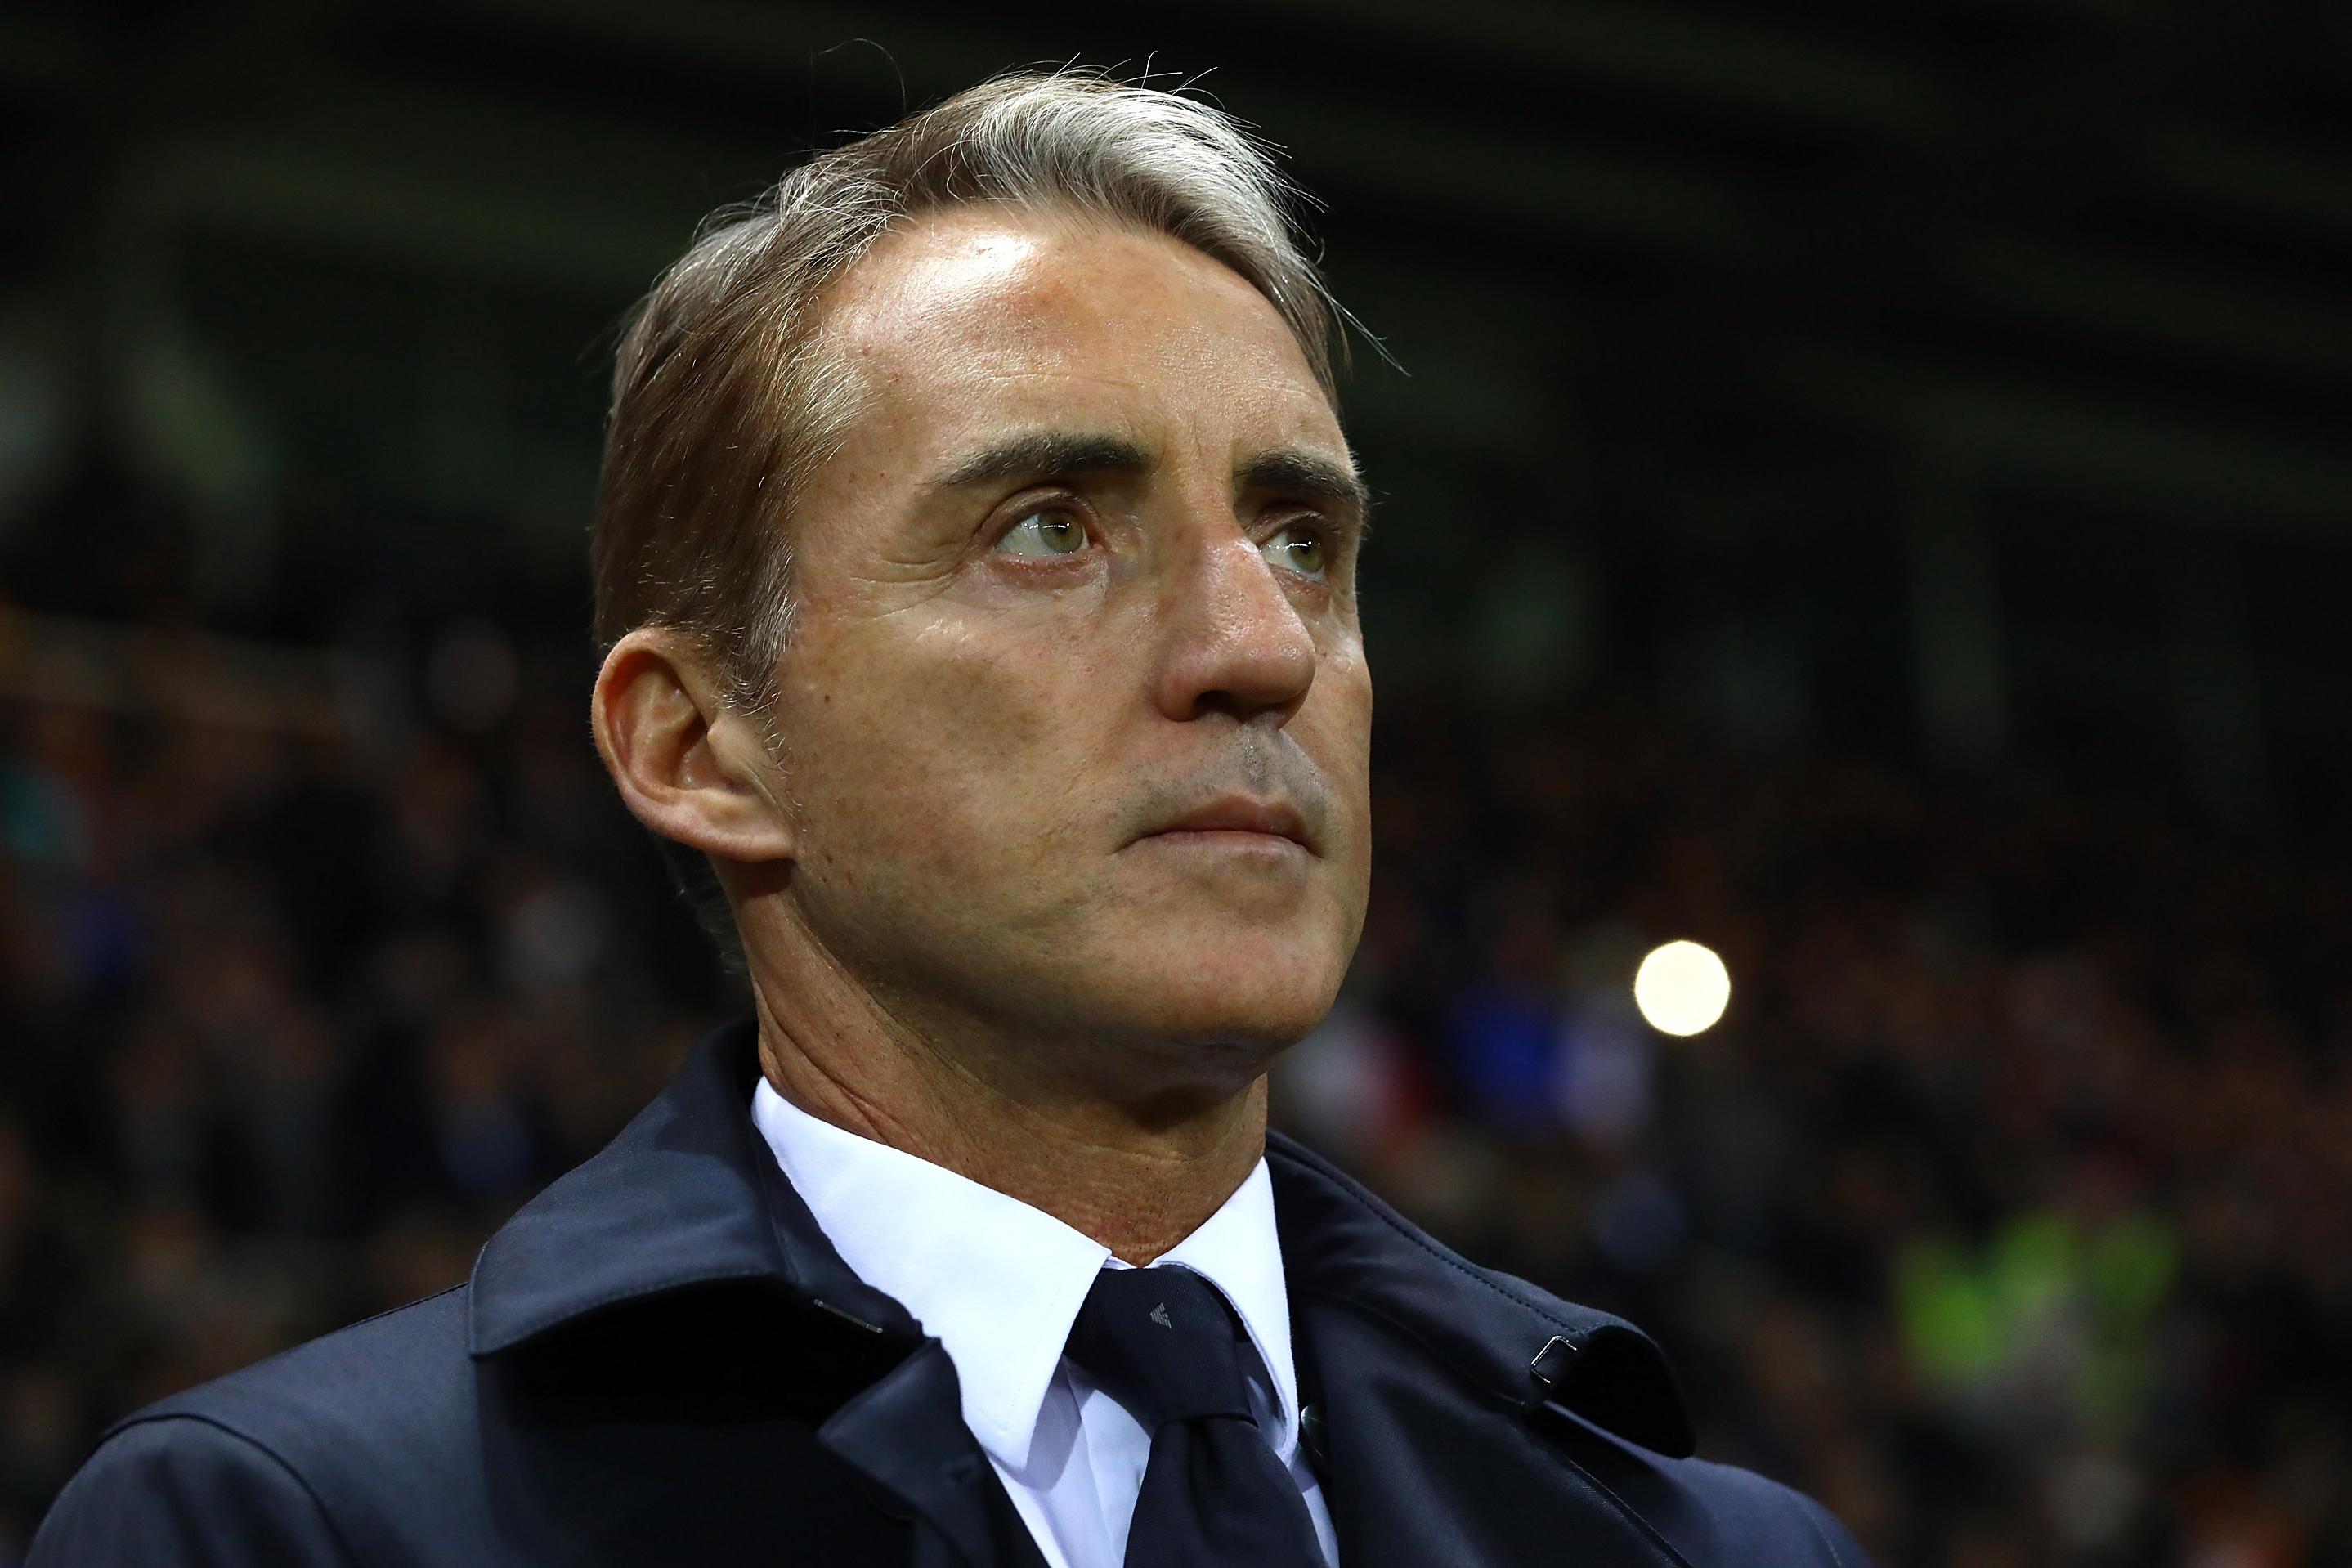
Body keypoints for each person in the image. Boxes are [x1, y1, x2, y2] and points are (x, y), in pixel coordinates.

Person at [30, 73, 1866, 1566]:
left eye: (1302, 541)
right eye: (1050, 528)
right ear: (702, 745)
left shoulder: (1721, 1550)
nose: (1258, 647)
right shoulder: (298, 1530)